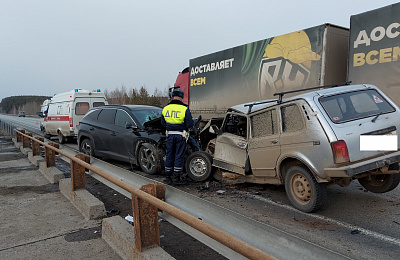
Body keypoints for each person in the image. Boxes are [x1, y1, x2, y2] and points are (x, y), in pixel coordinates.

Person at [161, 88, 194, 185]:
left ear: (172, 97)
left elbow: (163, 123)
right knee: (179, 155)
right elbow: (190, 124)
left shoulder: (166, 108)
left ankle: (167, 177)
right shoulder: (184, 109)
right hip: (180, 135)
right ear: (181, 97)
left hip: (170, 135)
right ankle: (176, 178)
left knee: (169, 155)